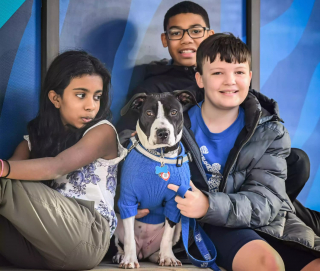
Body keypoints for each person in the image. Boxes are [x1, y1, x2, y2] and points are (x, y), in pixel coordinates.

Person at [117, 0, 320, 236]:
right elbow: (126, 133)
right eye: (176, 33)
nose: (187, 39)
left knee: (295, 162)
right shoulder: (156, 85)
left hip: (241, 172)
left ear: (209, 35)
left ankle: (285, 215)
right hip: (192, 172)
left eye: (195, 31)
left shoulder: (230, 83)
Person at [167, 33, 320, 271]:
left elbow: (265, 202)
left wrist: (208, 204)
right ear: (200, 79)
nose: (230, 81)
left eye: (238, 72)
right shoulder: (175, 123)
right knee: (266, 264)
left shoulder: (270, 130)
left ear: (249, 77)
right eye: (218, 73)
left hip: (261, 219)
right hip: (206, 227)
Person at [0, 50, 128, 270]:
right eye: (81, 95)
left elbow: (56, 166)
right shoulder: (33, 140)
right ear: (55, 98)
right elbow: (9, 181)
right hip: (37, 250)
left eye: (97, 96)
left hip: (88, 237)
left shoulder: (102, 132)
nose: (91, 106)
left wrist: (4, 168)